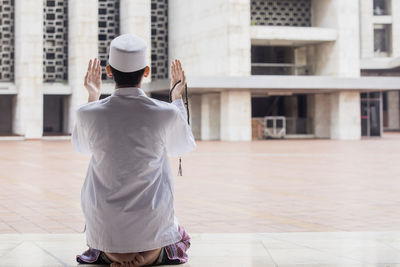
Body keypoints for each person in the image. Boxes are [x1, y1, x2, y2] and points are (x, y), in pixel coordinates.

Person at [72, 34, 196, 266]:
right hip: (151, 234)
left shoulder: (87, 112)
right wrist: (176, 97)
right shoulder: (165, 112)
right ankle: (146, 256)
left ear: (109, 71)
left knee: (107, 232)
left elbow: (81, 147)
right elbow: (183, 145)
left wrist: (92, 96)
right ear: (146, 71)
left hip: (106, 231)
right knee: (179, 234)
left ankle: (115, 255)